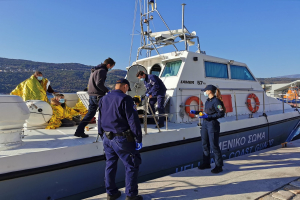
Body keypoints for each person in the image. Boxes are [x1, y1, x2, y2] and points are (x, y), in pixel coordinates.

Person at [98, 79, 143, 200]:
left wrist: (101, 134)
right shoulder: (126, 99)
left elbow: (100, 118)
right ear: (125, 86)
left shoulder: (104, 98)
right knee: (132, 165)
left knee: (110, 164)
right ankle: (131, 195)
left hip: (107, 138)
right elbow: (133, 120)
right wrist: (138, 138)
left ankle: (111, 193)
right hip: (122, 139)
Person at [74, 57, 115, 138]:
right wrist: (108, 91)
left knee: (90, 114)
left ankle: (79, 130)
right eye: (111, 67)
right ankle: (103, 133)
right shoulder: (102, 70)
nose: (110, 69)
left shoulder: (95, 70)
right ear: (108, 65)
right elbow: (99, 84)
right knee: (104, 114)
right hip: (98, 95)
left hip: (91, 95)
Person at [191, 85, 225, 174]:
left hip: (212, 125)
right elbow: (206, 112)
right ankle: (206, 163)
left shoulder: (216, 101)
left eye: (205, 91)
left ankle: (219, 166)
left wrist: (209, 116)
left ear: (209, 91)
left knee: (214, 145)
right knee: (205, 144)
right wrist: (198, 112)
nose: (204, 92)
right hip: (205, 124)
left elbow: (221, 113)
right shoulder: (207, 101)